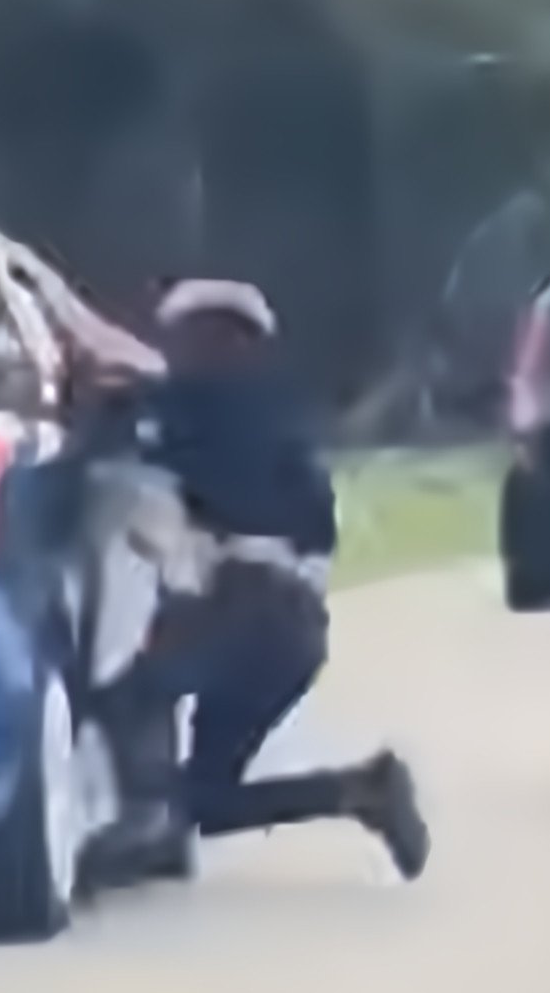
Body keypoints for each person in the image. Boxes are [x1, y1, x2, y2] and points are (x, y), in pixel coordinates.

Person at [84, 279, 430, 881]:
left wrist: (104, 407)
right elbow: (317, 531)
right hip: (291, 626)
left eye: (201, 334)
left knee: (127, 692)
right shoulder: (283, 420)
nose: (189, 347)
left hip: (242, 609)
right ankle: (360, 789)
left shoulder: (182, 407)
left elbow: (130, 452)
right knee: (209, 798)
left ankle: (144, 825)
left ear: (238, 342)